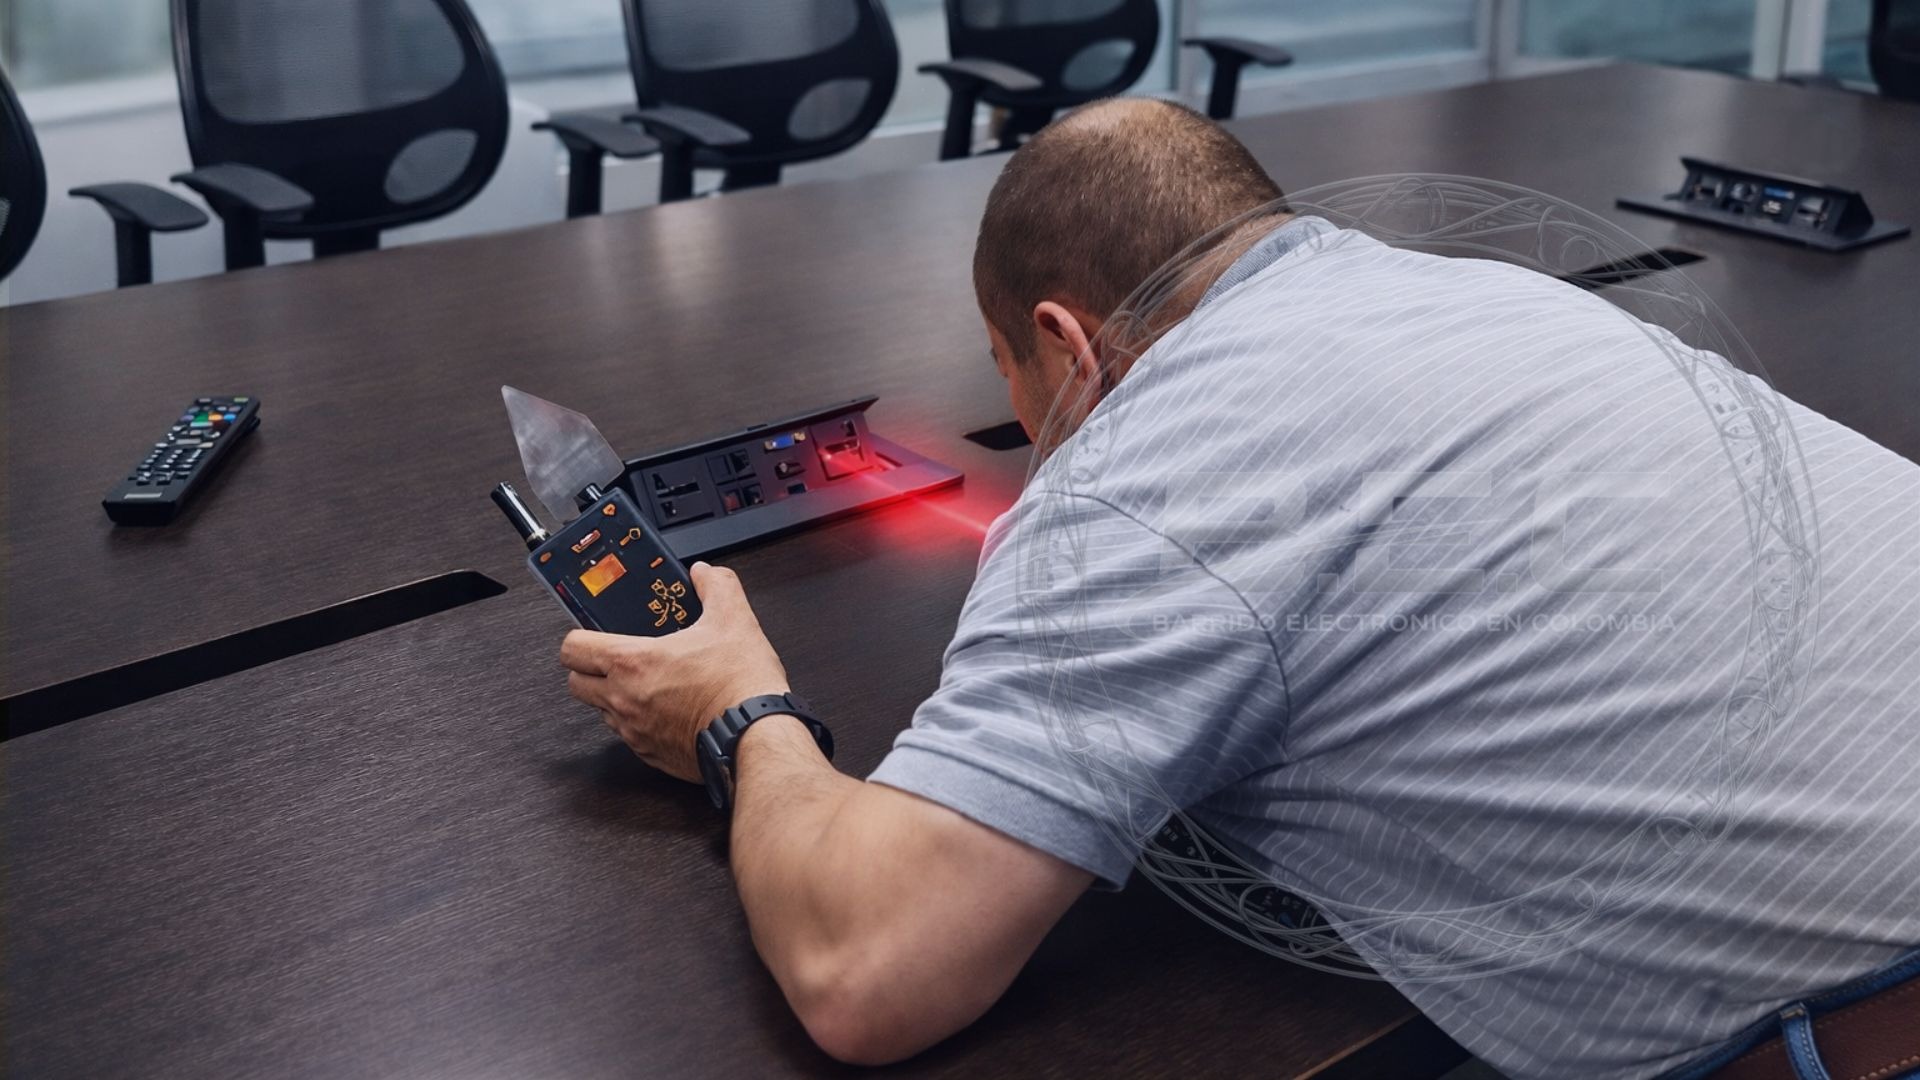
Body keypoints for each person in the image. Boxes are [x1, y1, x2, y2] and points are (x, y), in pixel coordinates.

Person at [558, 98, 1920, 1079]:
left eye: (1011, 386)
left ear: (1061, 343)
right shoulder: (1483, 293)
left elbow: (866, 973)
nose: (1028, 427)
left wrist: (739, 714)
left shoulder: (1154, 459)